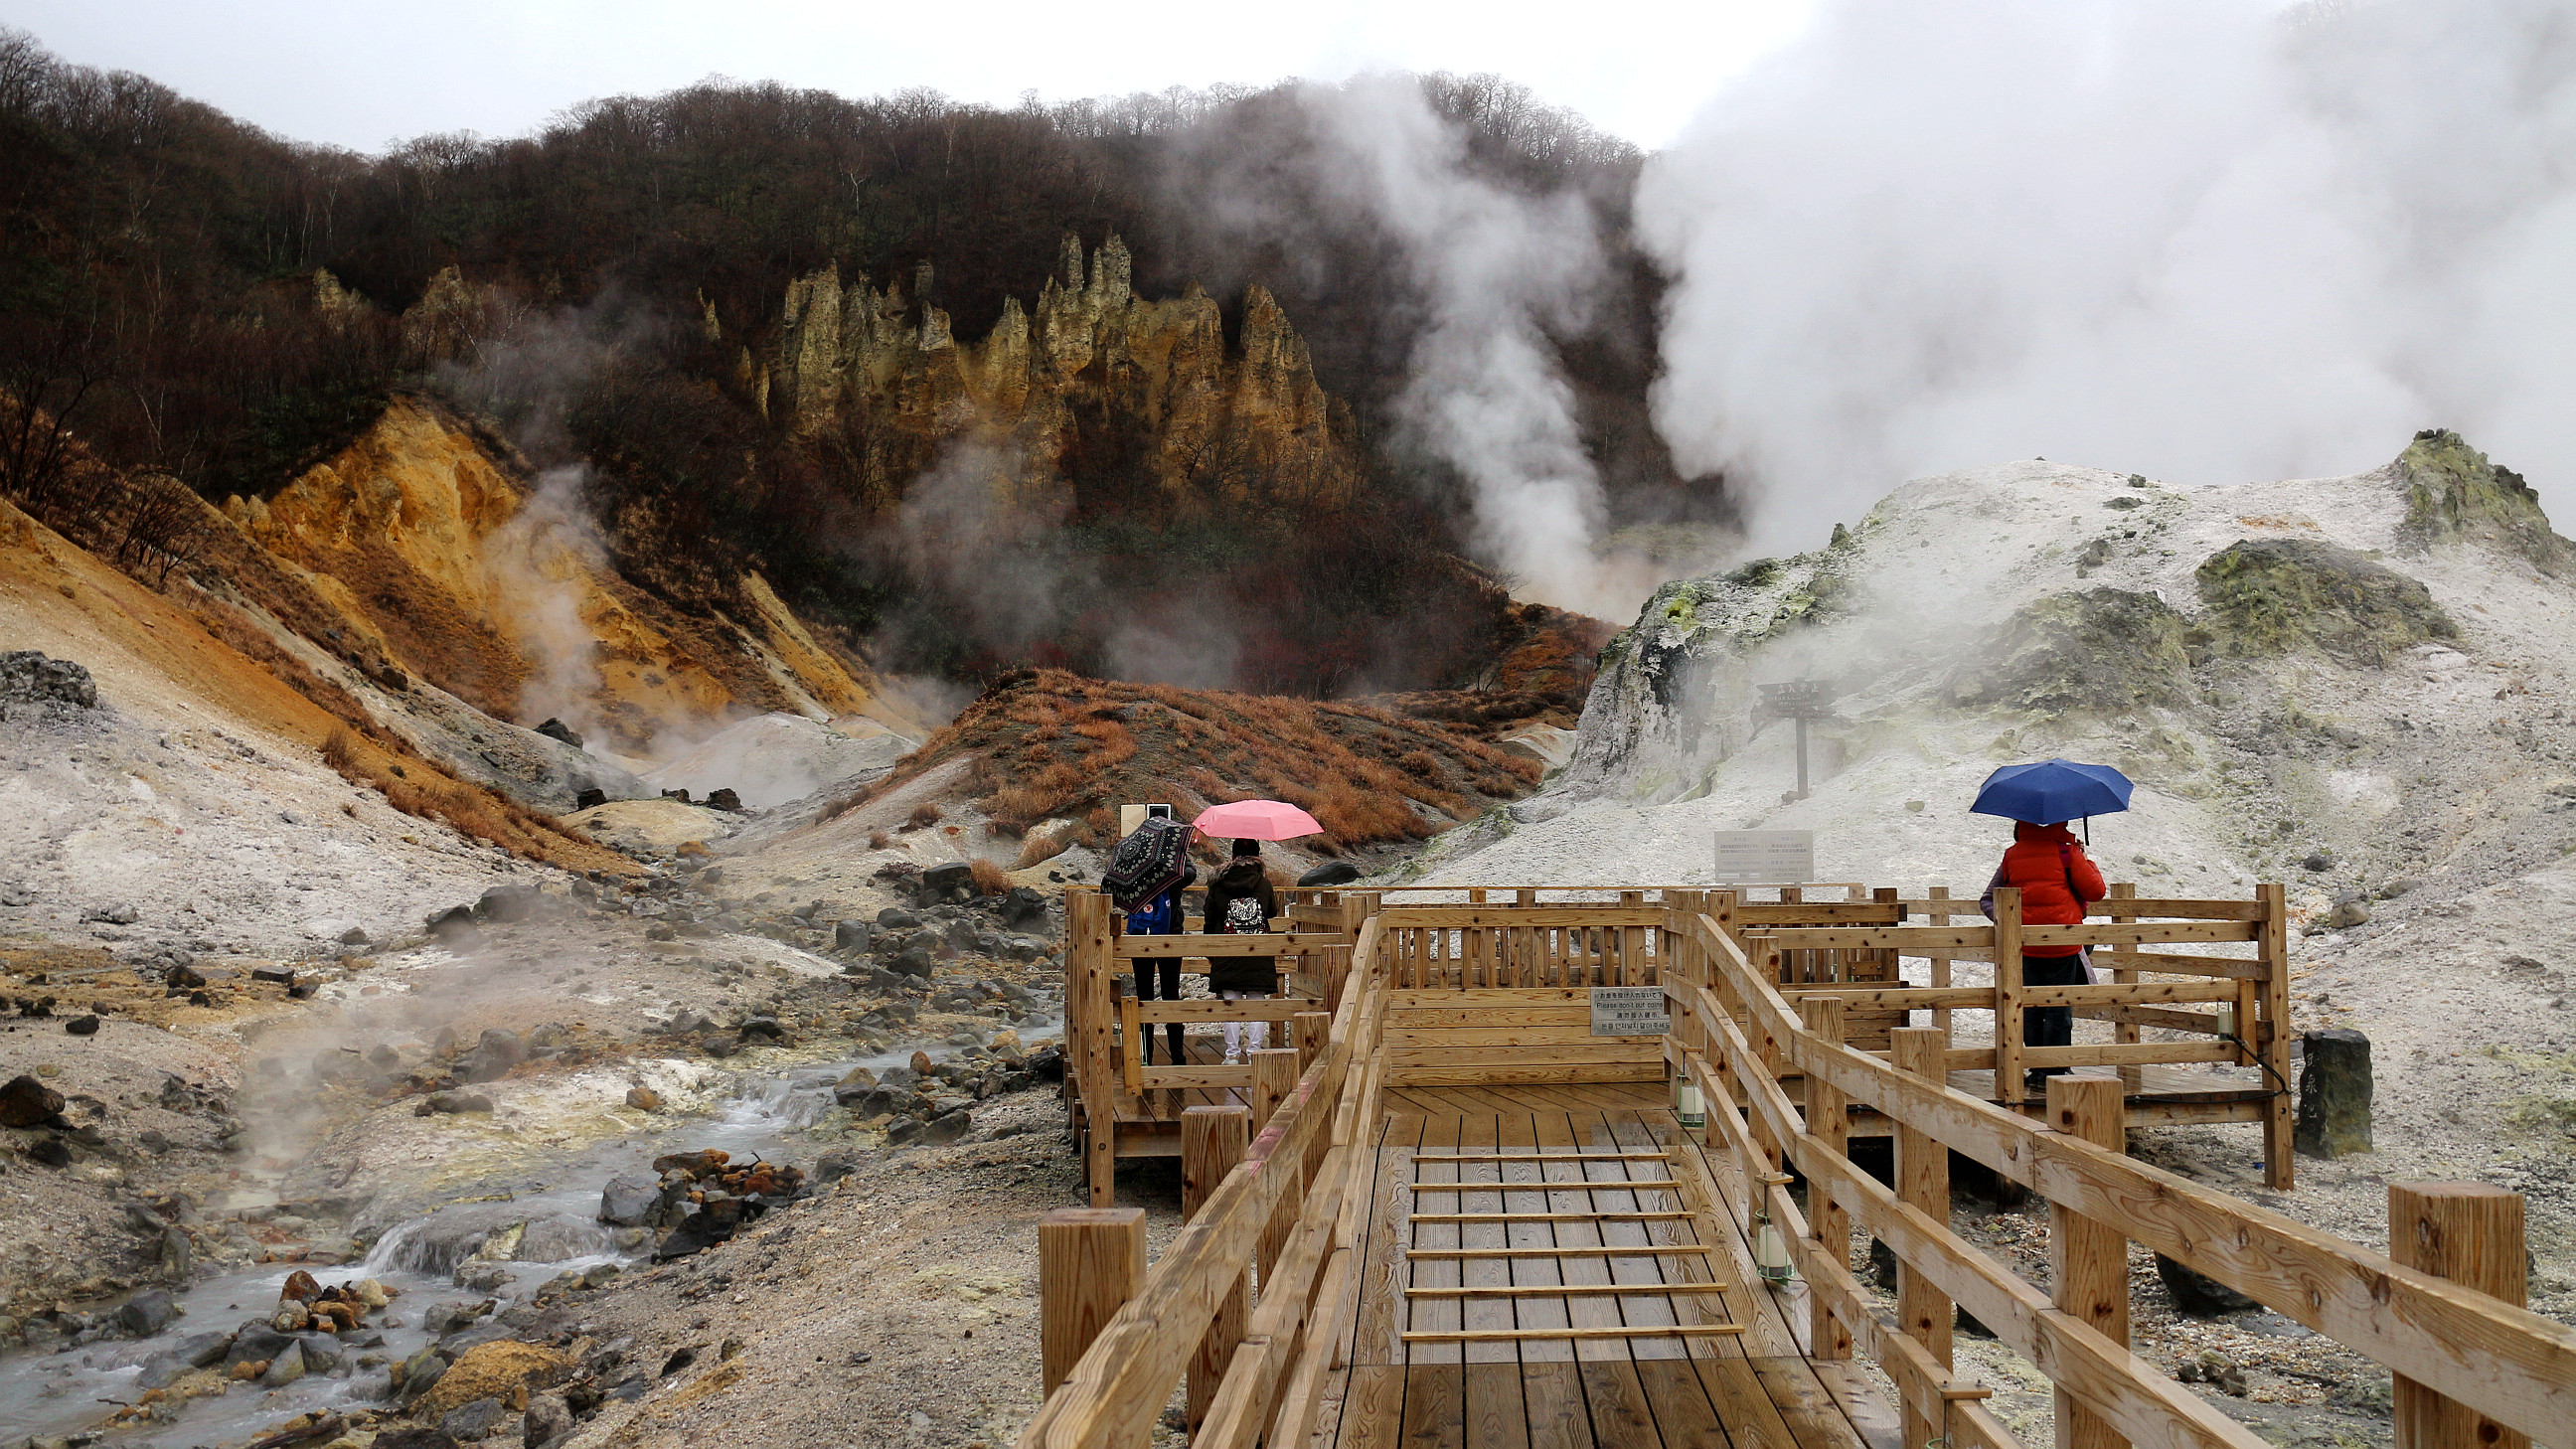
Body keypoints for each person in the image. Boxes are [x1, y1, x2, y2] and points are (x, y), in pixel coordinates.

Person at [1979, 818, 2106, 1091]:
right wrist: (2086, 859)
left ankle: (2037, 1071)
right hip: (2063, 942)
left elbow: (1989, 897)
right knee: (2059, 1008)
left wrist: (2007, 923)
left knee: (2031, 1008)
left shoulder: (2013, 854)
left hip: (2024, 943)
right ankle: (2056, 1069)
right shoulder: (2065, 851)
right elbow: (2096, 892)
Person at [1201, 839, 1281, 1063]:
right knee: (1256, 1001)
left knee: (1230, 1003)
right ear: (1258, 856)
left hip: (1227, 951)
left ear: (1233, 855)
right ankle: (1254, 1052)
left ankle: (1232, 1055)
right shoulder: (1263, 883)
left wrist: (1211, 951)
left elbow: (1210, 918)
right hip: (1258, 951)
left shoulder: (1218, 883)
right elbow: (1272, 912)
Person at [1127, 859, 1195, 1065]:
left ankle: (1145, 1056)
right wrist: (1172, 866)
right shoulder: (1172, 860)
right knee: (1171, 995)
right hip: (1171, 932)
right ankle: (1177, 1056)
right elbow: (1190, 874)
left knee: (1143, 996)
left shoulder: (1133, 867)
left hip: (1140, 935)